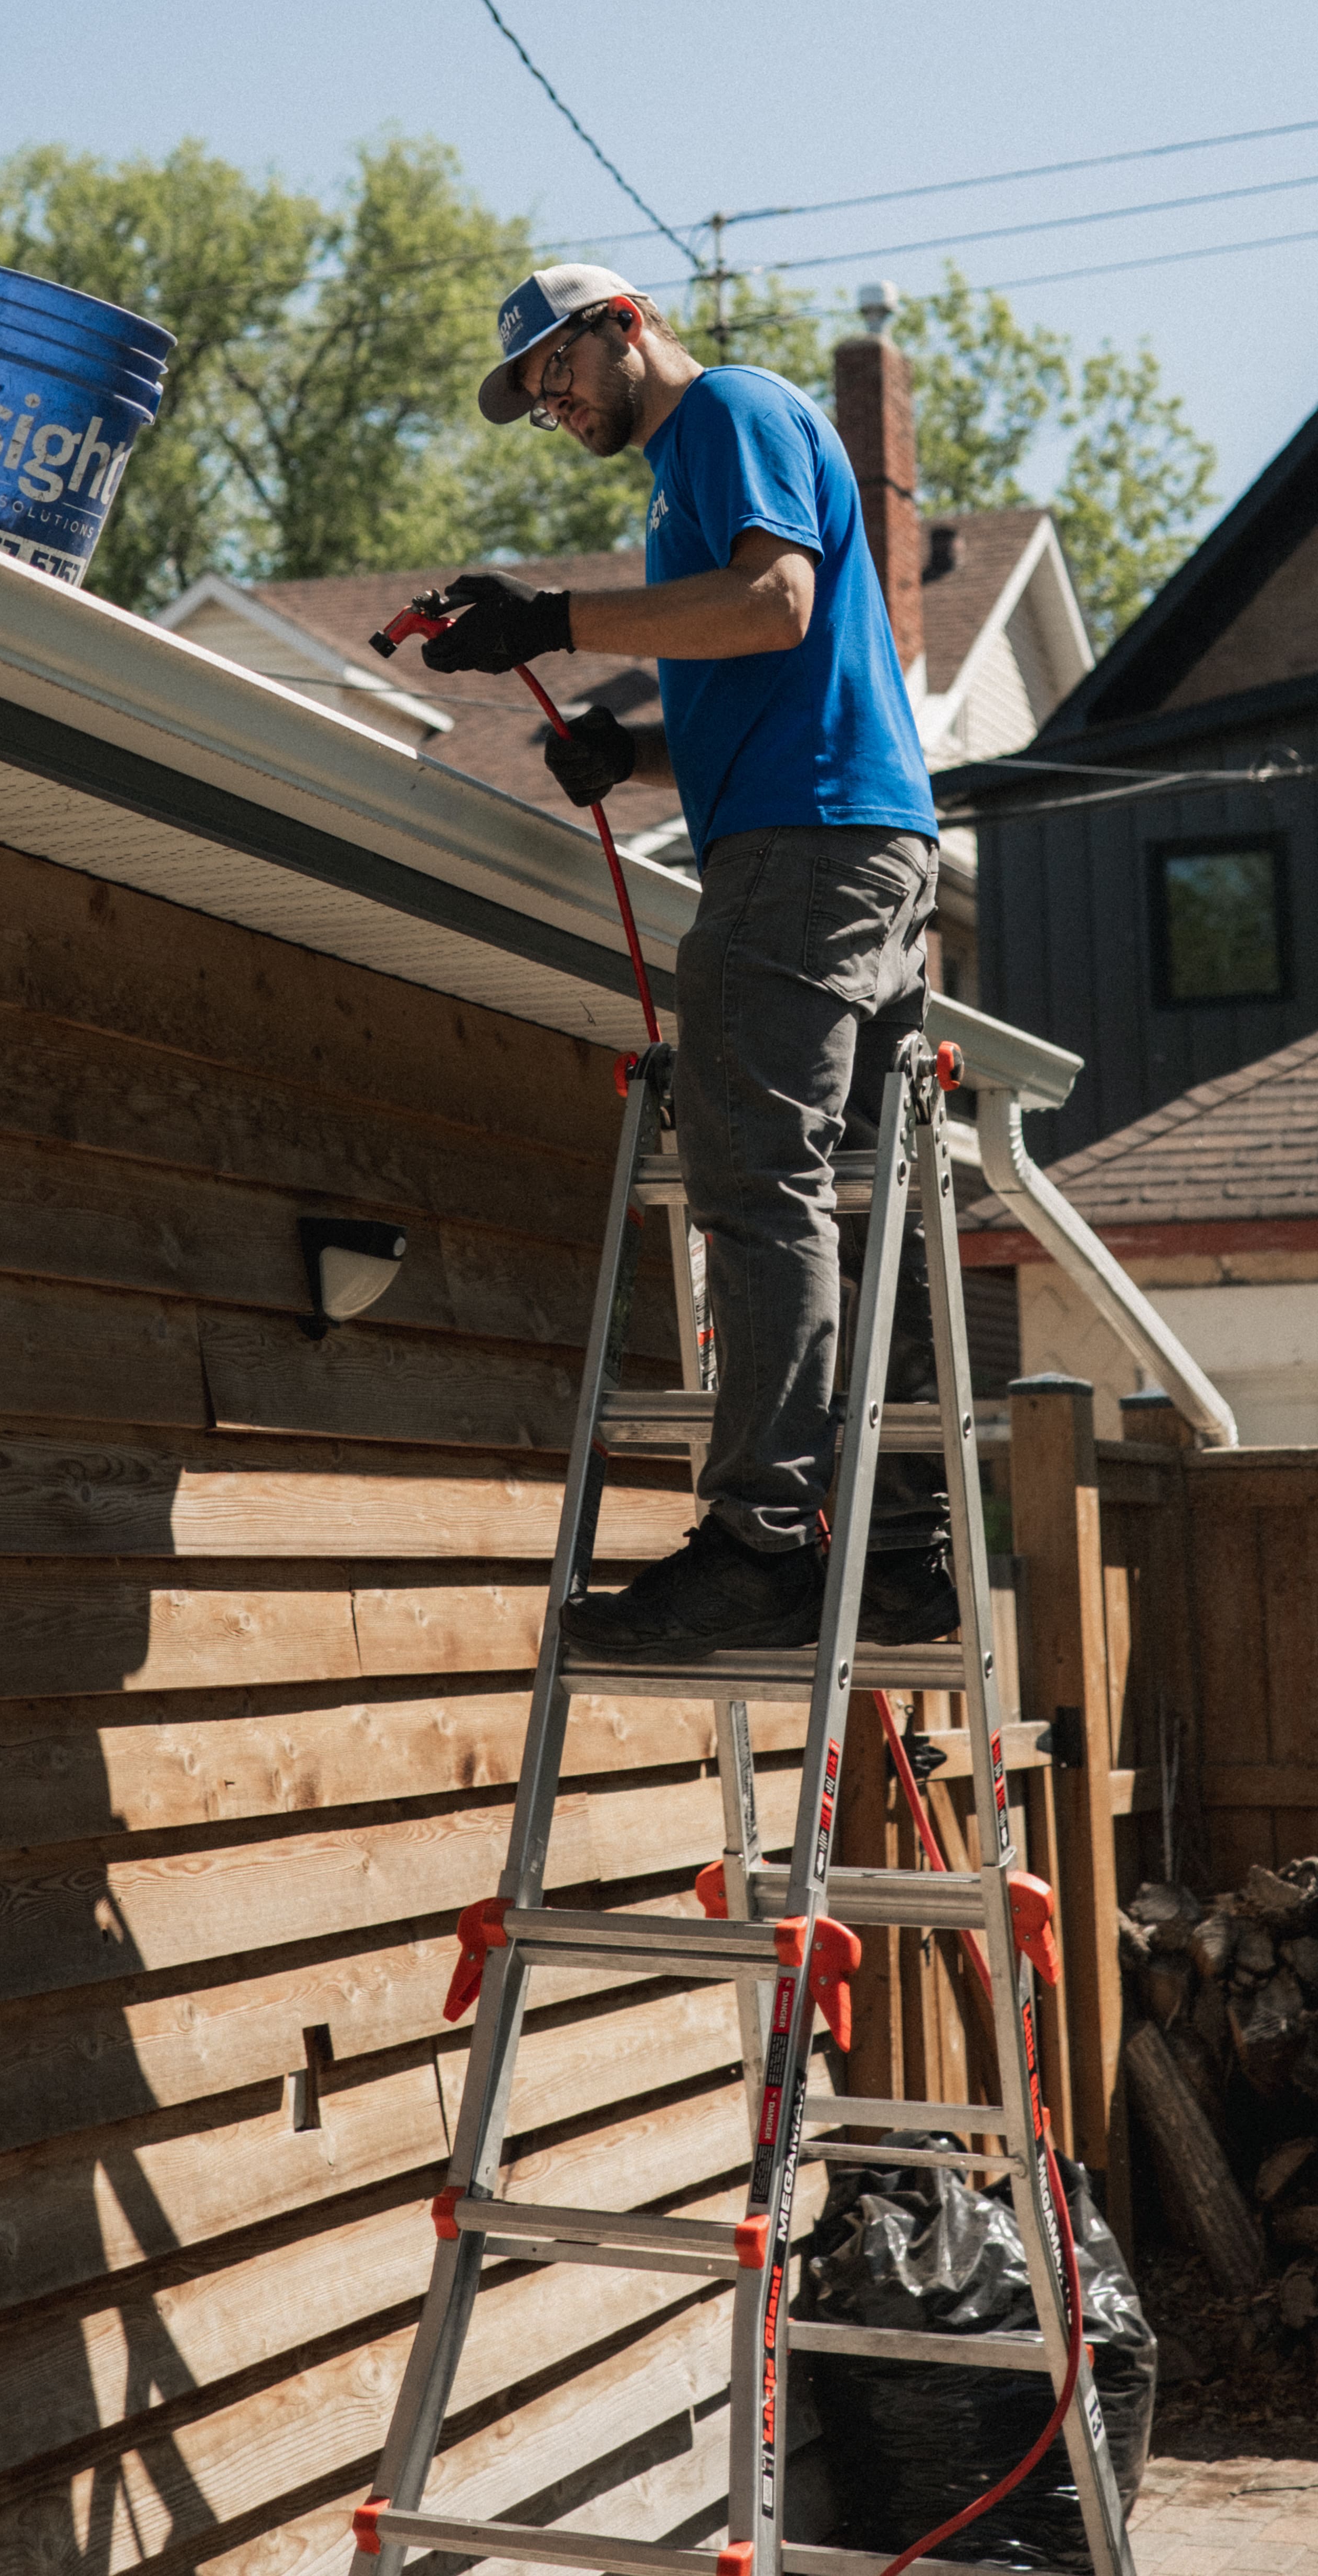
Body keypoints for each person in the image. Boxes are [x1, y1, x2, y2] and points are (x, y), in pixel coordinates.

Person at [410, 262, 955, 1664]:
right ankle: (898, 1555)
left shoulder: (728, 414)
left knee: (755, 1178)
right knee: (849, 1200)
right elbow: (763, 662)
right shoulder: (682, 490)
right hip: (853, 841)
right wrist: (632, 756)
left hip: (806, 850)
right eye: (537, 397)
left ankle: (762, 1545)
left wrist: (552, 620)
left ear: (623, 324)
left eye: (558, 371)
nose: (556, 406)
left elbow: (775, 603)